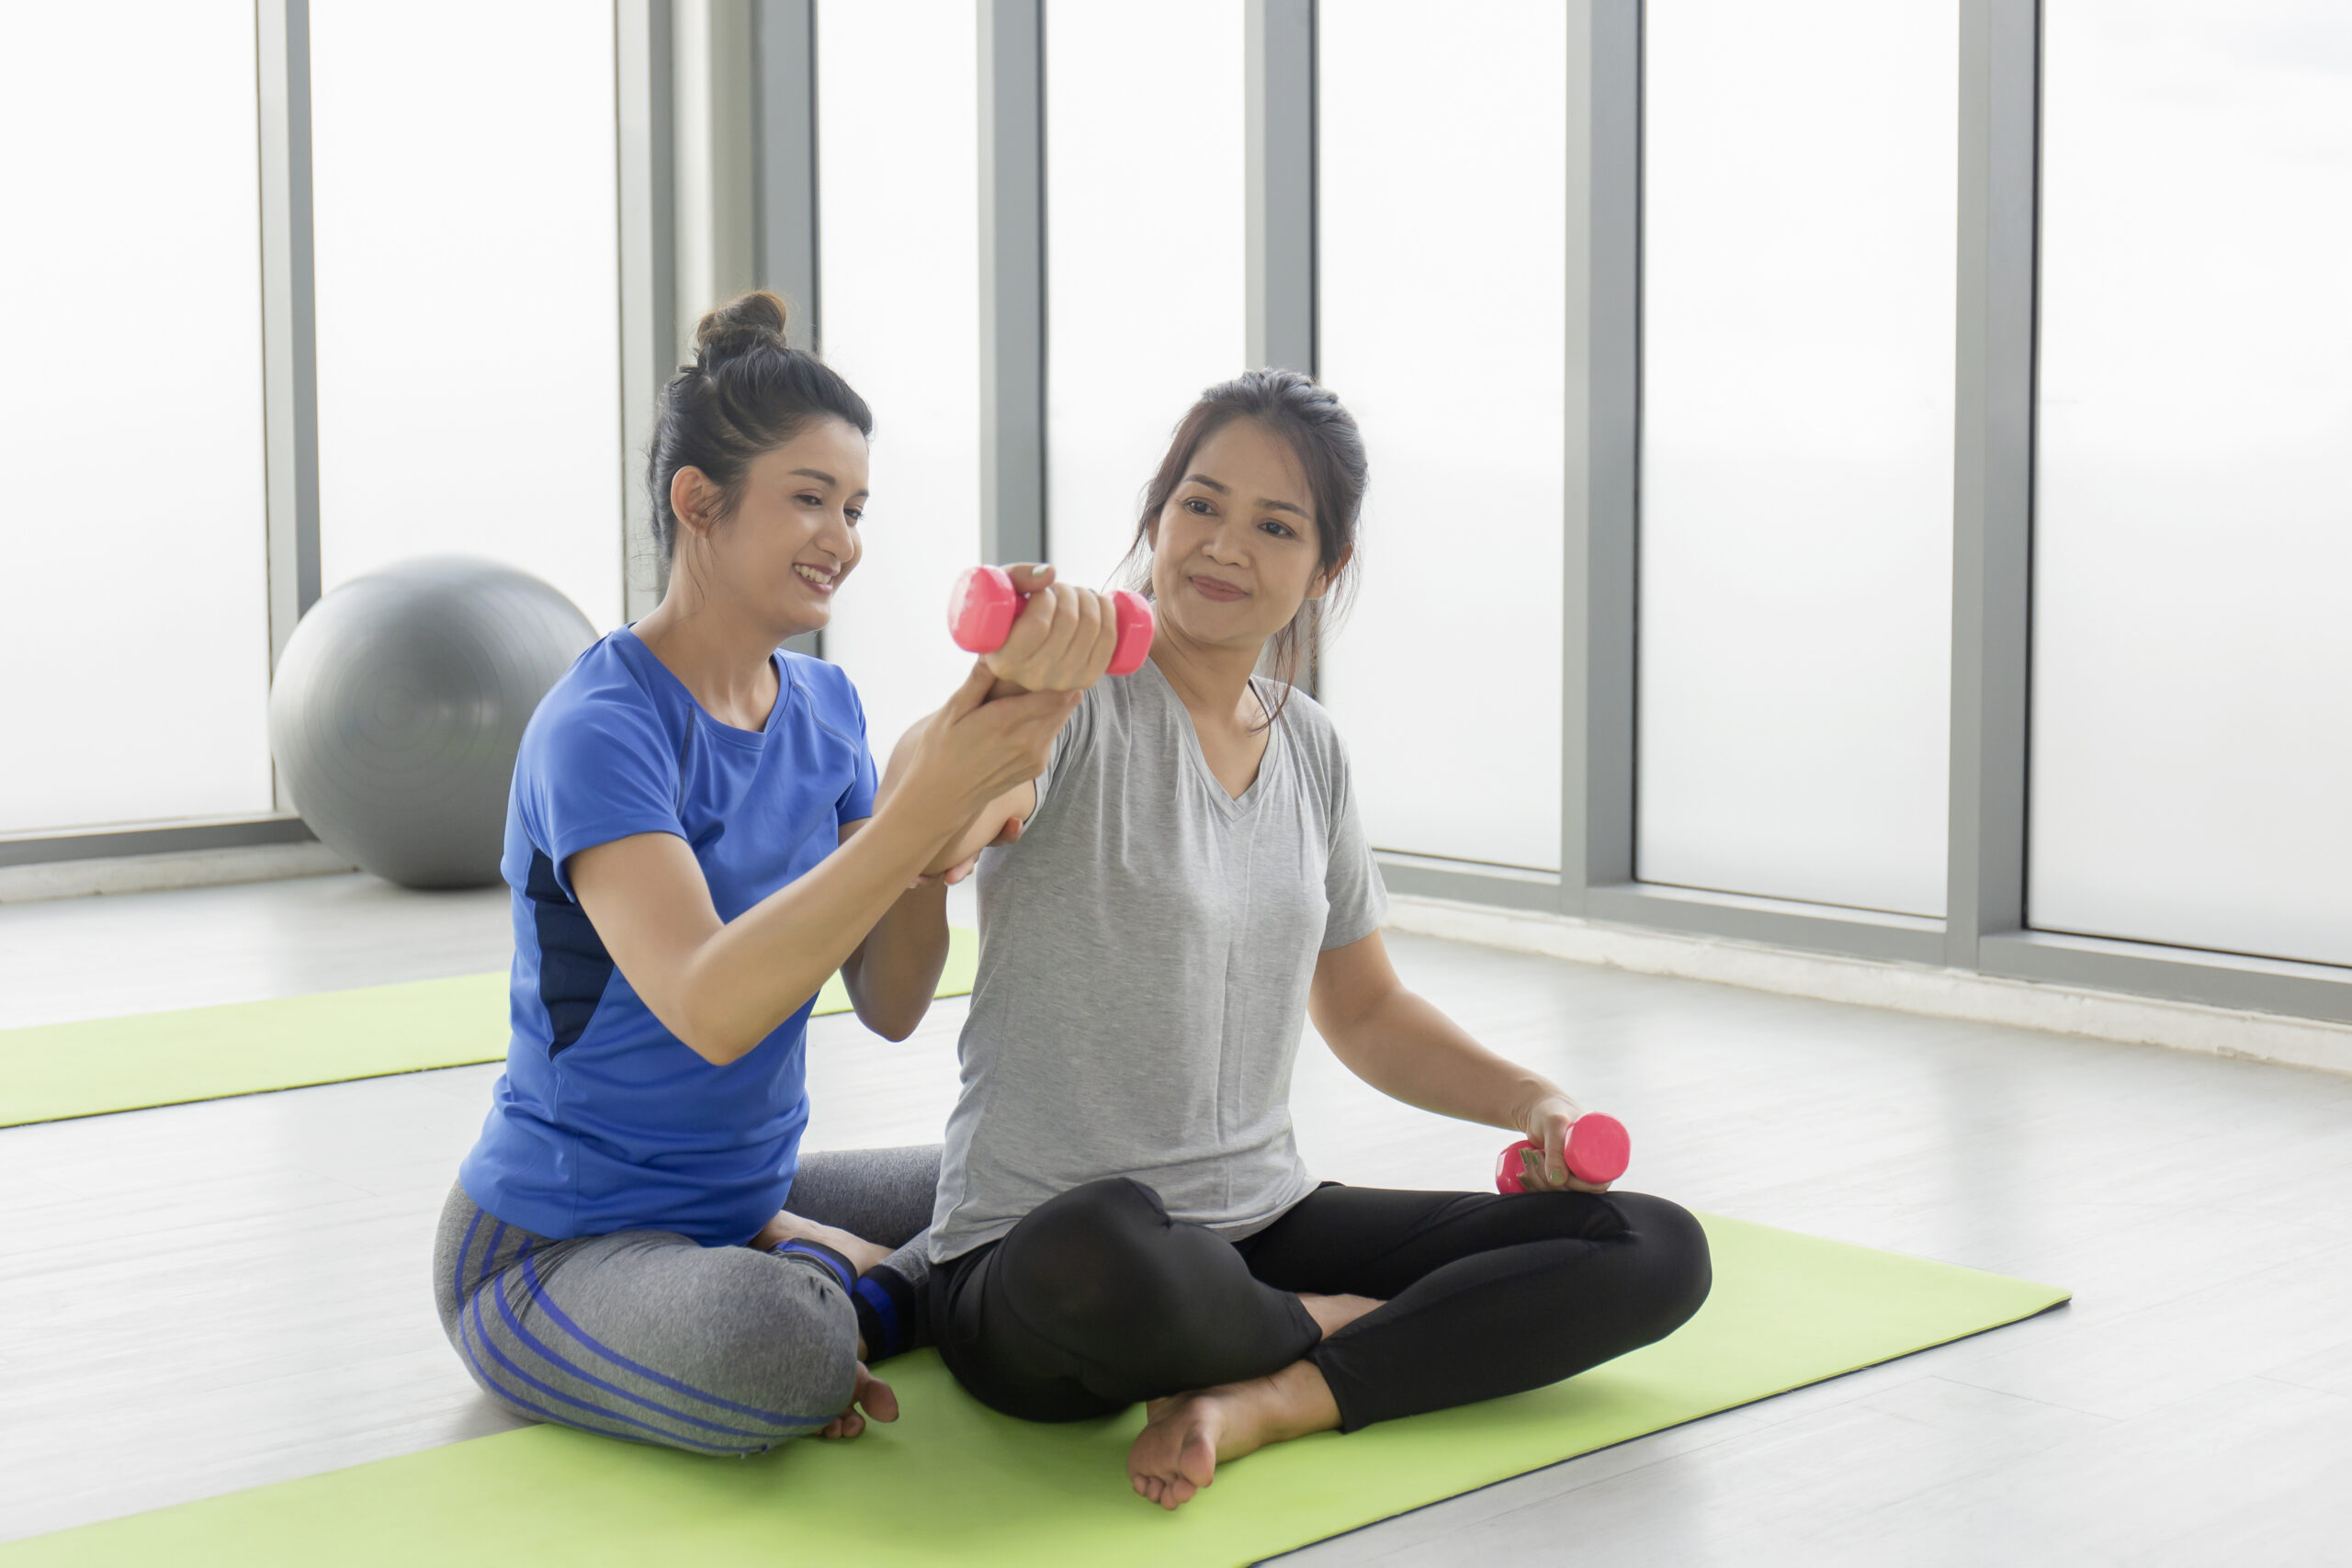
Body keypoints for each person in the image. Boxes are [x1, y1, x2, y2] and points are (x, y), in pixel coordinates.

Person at [925, 369, 1714, 1507]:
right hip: (1043, 1265)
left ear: (1322, 568)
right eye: (1199, 505)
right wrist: (992, 701)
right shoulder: (1072, 709)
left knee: (1650, 1246)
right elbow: (943, 826)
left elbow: (1366, 1011)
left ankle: (1274, 1395)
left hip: (1260, 1222)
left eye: (1274, 525)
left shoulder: (1311, 749)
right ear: (1155, 517)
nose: (1222, 545)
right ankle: (1343, 1332)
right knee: (1099, 1242)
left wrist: (1532, 1103)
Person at [432, 291, 1118, 1454]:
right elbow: (711, 1005)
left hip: (740, 1201)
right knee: (784, 1351)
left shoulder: (825, 706)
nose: (843, 539)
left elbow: (893, 1003)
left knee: (1057, 1179)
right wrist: (921, 807)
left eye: (853, 507)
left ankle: (825, 1267)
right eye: (809, 500)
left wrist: (946, 811)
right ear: (698, 503)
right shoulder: (601, 726)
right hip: (556, 1248)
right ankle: (833, 1293)